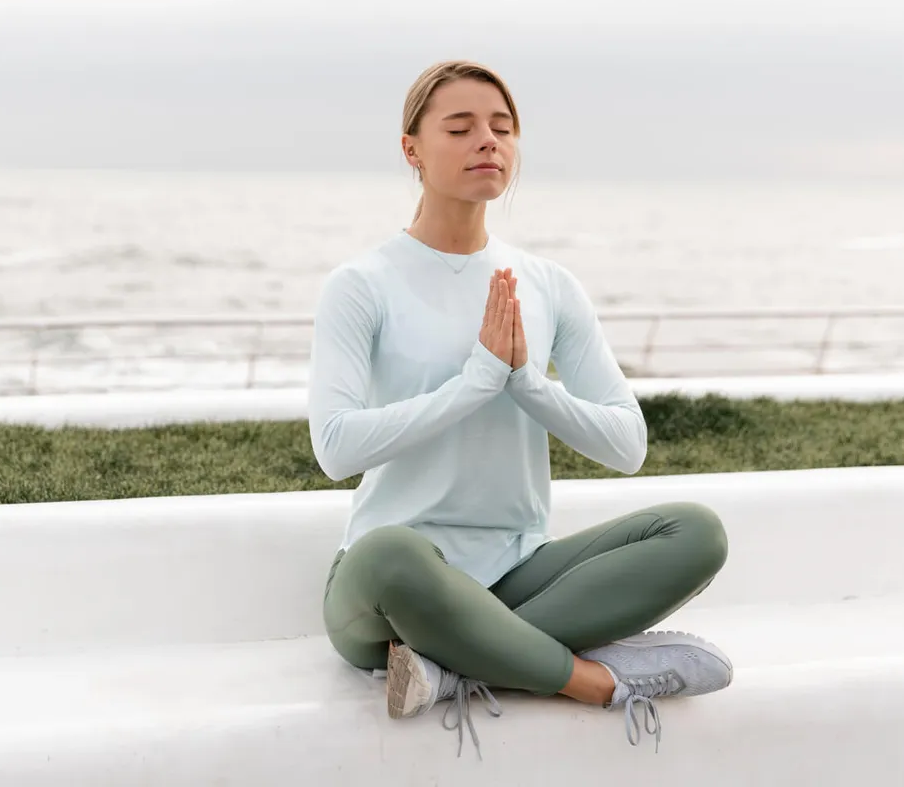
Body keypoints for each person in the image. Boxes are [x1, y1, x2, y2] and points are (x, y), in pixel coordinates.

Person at [308, 60, 732, 758]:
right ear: (411, 149)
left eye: (503, 128)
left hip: (516, 574)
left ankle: (452, 669)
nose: (489, 141)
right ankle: (594, 681)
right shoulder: (362, 285)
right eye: (462, 126)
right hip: (394, 589)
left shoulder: (547, 284)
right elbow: (335, 447)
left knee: (695, 533)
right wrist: (475, 383)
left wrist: (527, 383)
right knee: (395, 554)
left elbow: (627, 445)